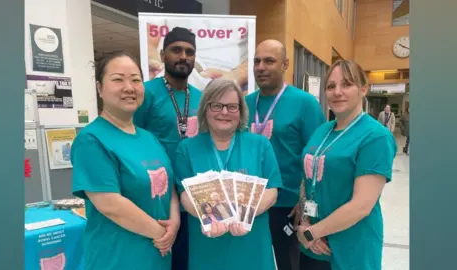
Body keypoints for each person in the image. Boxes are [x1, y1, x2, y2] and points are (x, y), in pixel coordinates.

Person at [71, 51, 180, 270]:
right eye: (118, 79)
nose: (129, 87)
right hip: (117, 257)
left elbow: (169, 185)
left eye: (136, 80)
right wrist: (162, 233)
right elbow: (110, 204)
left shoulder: (149, 138)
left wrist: (175, 223)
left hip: (157, 256)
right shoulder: (91, 140)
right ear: (100, 88)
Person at [296, 59, 397, 270]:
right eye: (331, 86)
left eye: (347, 84)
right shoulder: (322, 131)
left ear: (363, 89)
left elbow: (362, 206)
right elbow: (308, 179)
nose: (337, 92)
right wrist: (304, 222)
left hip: (350, 247)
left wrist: (312, 232)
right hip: (311, 245)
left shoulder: (375, 136)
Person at [174, 79, 283, 270]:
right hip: (207, 248)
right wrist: (211, 218)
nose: (224, 112)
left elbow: (272, 191)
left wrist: (242, 215)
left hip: (252, 247)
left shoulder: (260, 145)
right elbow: (185, 195)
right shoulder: (187, 149)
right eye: (216, 105)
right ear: (205, 110)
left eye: (232, 107)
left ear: (241, 111)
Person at [245, 39, 326, 270]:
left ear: (285, 64)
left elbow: (317, 158)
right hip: (250, 204)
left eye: (269, 61)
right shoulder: (245, 104)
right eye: (257, 61)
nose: (261, 67)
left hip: (289, 205)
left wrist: (304, 201)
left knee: (288, 264)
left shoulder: (305, 103)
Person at [134, 26, 202, 270]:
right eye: (176, 50)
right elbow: (133, 140)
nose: (183, 56)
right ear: (163, 55)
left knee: (189, 259)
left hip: (195, 194)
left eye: (189, 51)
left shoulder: (202, 98)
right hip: (157, 197)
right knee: (160, 258)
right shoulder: (146, 93)